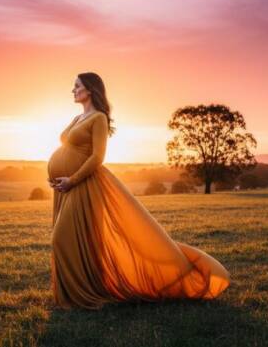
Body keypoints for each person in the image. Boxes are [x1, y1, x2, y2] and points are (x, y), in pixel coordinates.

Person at [46, 72, 231, 310]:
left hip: (83, 185)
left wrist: (72, 179)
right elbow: (69, 148)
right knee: (76, 241)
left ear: (90, 90)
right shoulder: (76, 118)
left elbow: (97, 157)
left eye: (77, 86)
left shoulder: (99, 118)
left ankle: (83, 295)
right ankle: (74, 295)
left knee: (61, 239)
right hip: (65, 187)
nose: (73, 90)